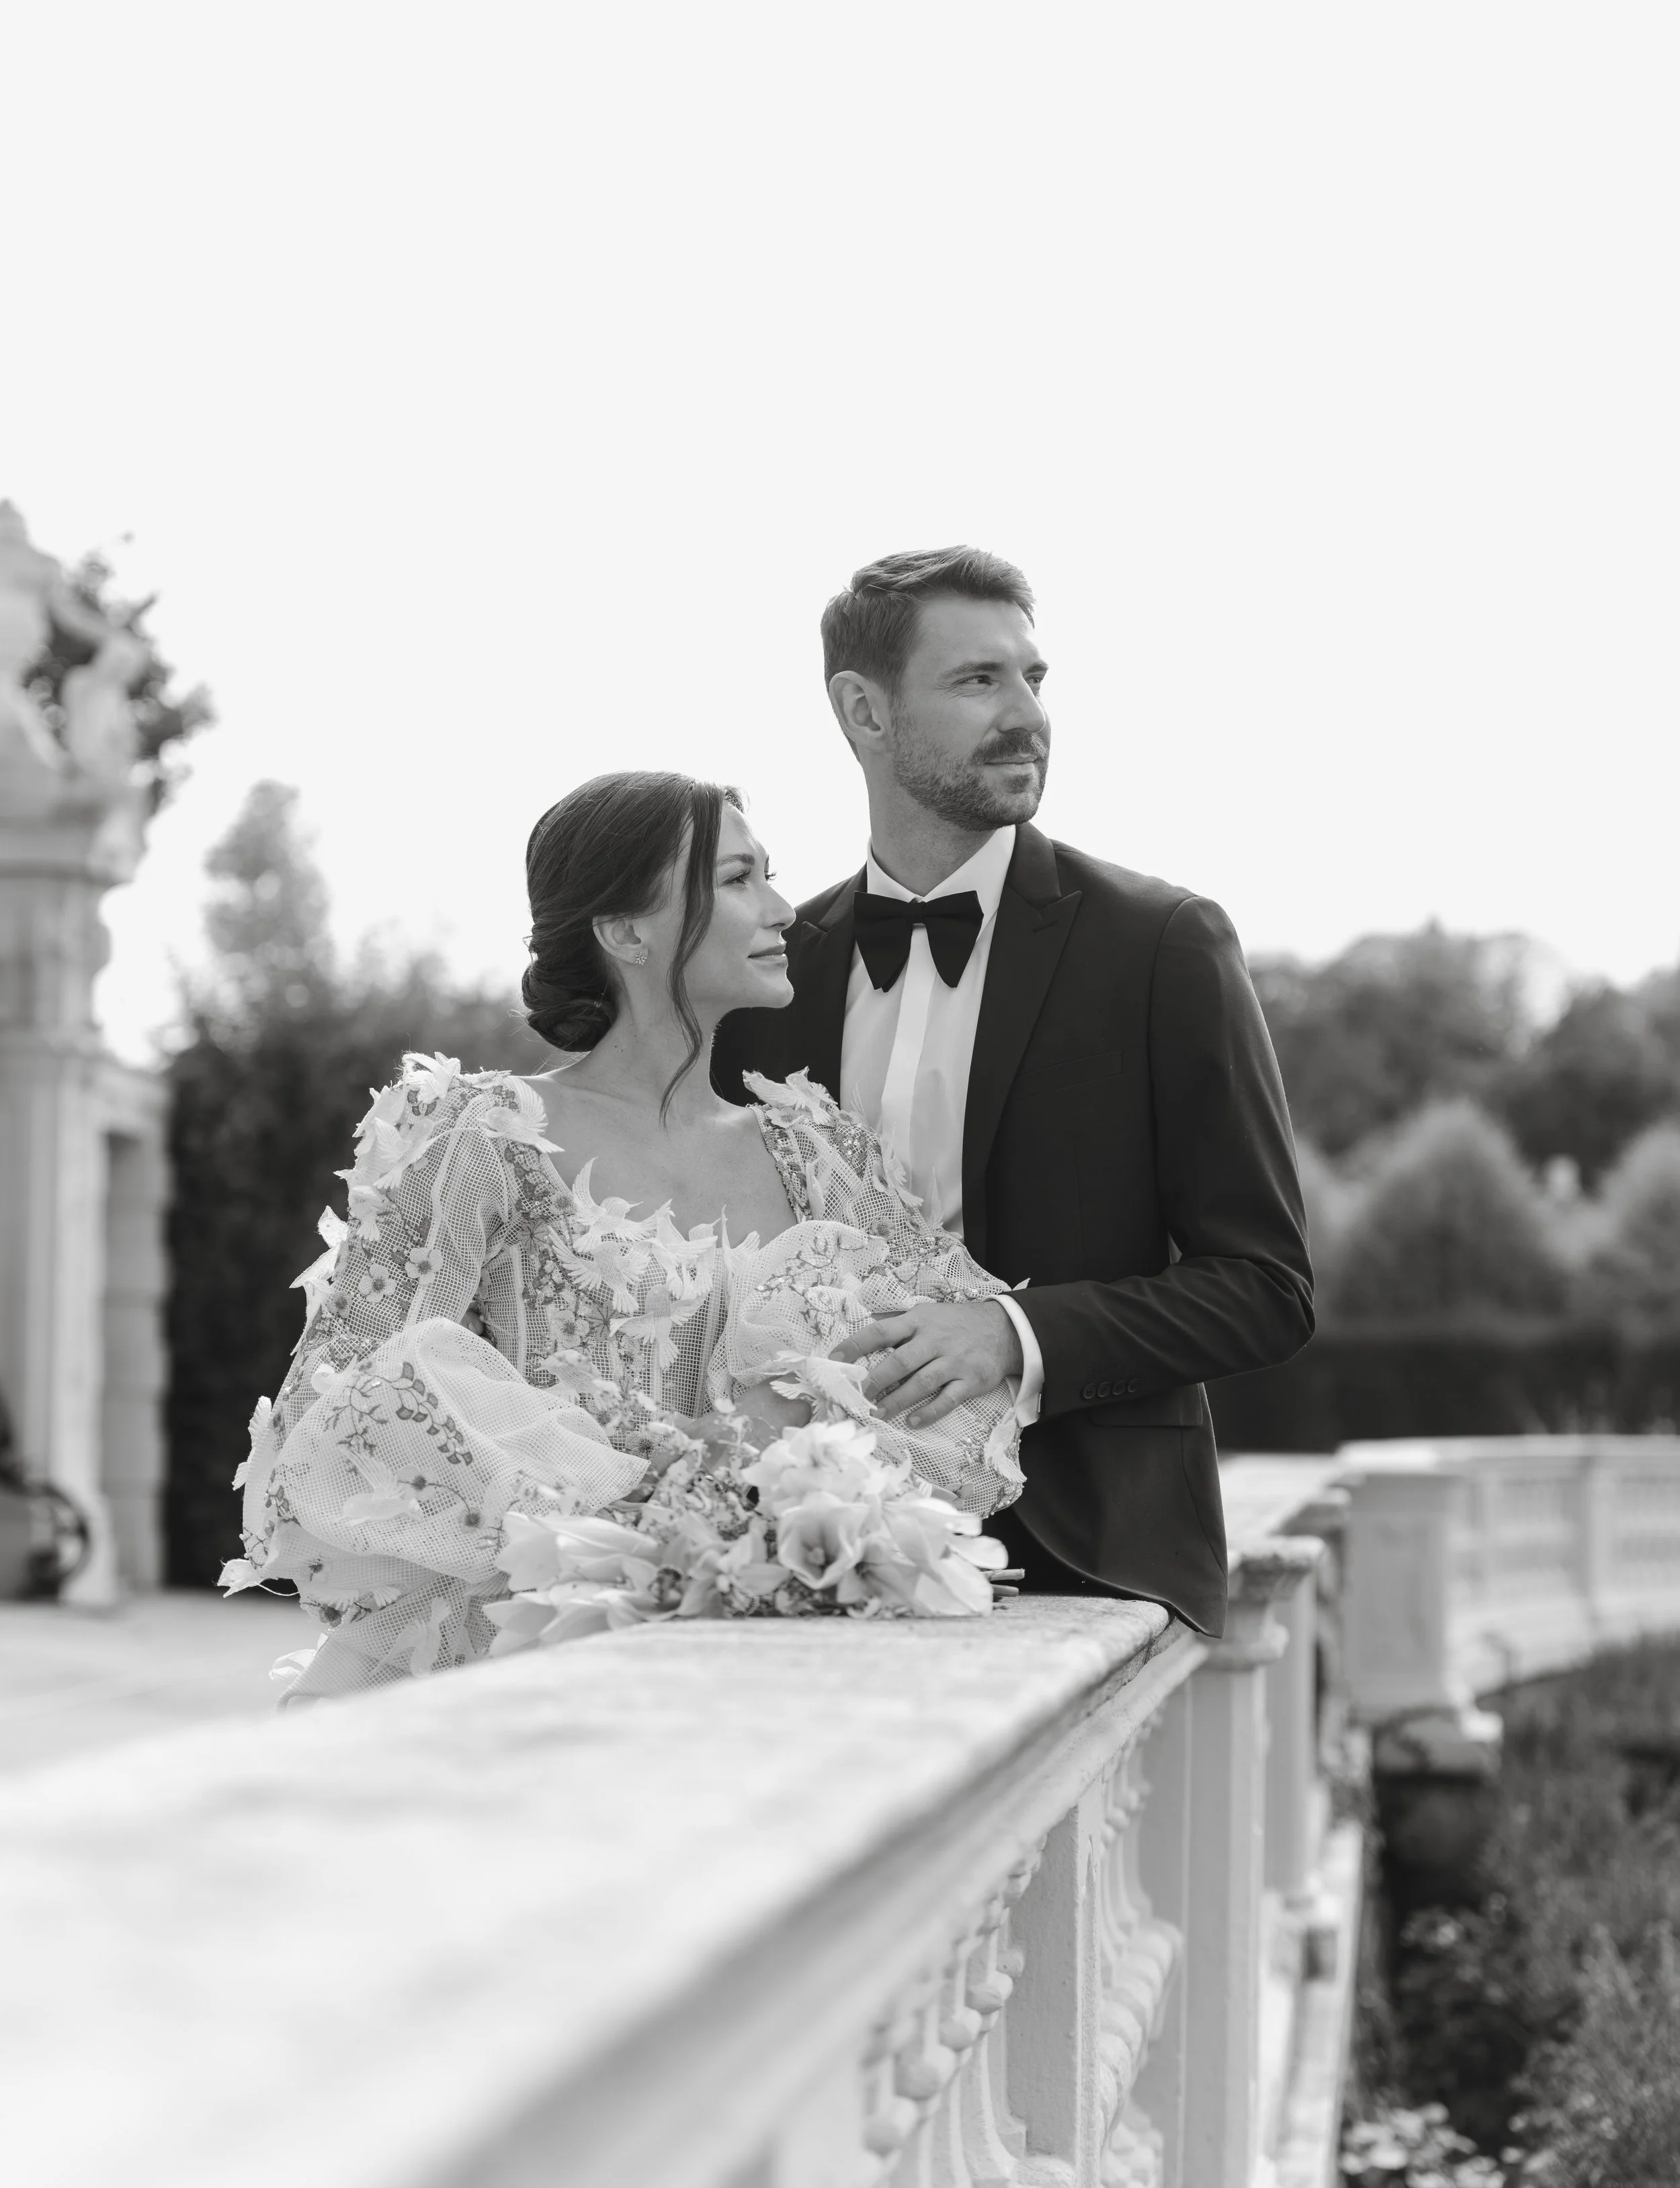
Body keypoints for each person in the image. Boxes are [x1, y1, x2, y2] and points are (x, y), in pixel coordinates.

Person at [228, 770, 1026, 1700]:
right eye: (737, 879)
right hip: (522, 1664)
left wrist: (805, 1494)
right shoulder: (484, 1136)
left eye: (771, 874)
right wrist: (606, 1489)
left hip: (764, 1666)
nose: (781, 909)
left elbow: (961, 1352)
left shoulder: (820, 1151)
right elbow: (348, 1401)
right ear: (625, 930)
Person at [714, 548, 1314, 1638]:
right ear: (864, 710)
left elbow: (1266, 1286)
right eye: (979, 680)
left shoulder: (1163, 945)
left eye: (1035, 678)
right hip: (793, 1562)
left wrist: (1015, 1331)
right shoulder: (769, 969)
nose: (1027, 713)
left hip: (1084, 1560)